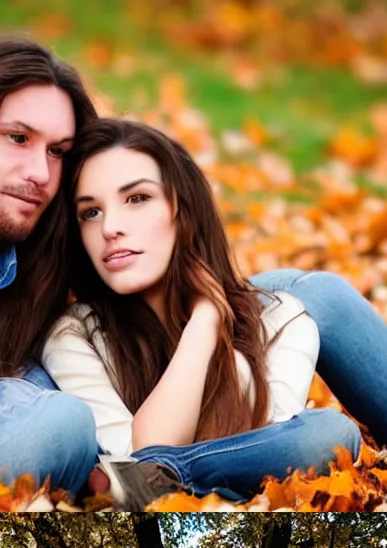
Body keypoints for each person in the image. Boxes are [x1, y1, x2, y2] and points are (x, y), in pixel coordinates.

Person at [0, 38, 387, 495]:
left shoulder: (36, 260)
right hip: (25, 408)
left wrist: (208, 315)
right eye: (18, 138)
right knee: (63, 423)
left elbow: (273, 431)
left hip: (105, 382)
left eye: (57, 152)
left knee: (308, 304)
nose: (40, 173)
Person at [42, 120, 358, 500]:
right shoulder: (74, 336)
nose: (110, 227)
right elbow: (139, 454)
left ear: (183, 210)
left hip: (181, 491)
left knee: (328, 435)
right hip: (159, 491)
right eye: (90, 212)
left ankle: (180, 475)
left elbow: (271, 453)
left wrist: (209, 315)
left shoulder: (280, 318)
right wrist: (201, 331)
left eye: (137, 199)